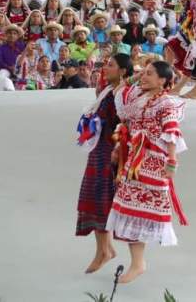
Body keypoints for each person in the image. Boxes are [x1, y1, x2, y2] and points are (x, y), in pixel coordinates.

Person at [107, 60, 187, 284]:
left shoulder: (167, 103)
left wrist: (171, 161)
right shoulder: (137, 98)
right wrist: (118, 147)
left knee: (141, 210)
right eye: (143, 73)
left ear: (163, 80)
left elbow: (172, 130)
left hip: (153, 163)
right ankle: (137, 262)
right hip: (133, 159)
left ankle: (138, 263)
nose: (144, 77)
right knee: (129, 210)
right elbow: (121, 100)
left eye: (150, 74)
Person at [75, 53, 133, 274]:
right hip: (99, 150)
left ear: (123, 71)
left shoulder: (124, 93)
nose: (105, 68)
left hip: (110, 152)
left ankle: (104, 251)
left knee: (101, 199)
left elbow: (123, 123)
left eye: (111, 65)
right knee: (94, 199)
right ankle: (105, 249)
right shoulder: (109, 90)